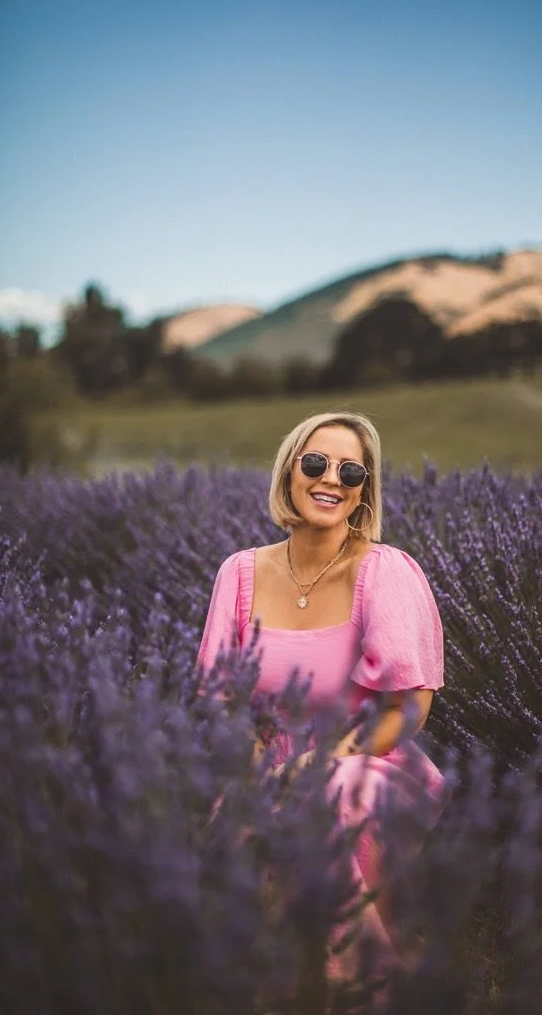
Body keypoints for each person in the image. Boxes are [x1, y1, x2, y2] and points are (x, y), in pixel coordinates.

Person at [196, 411, 445, 985]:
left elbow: (409, 705)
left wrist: (317, 761)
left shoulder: (383, 572)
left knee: (327, 801)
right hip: (260, 766)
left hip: (366, 763)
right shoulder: (238, 575)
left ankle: (355, 985)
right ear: (289, 473)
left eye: (350, 470)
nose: (330, 478)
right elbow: (221, 702)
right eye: (315, 462)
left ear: (363, 491)